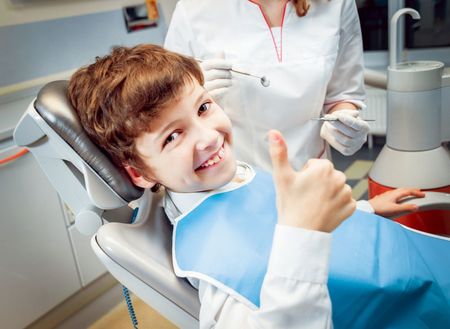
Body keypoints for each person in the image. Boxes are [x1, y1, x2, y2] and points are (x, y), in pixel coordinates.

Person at [67, 45, 449, 329]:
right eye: (172, 137)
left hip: (414, 267)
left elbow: (274, 218)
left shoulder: (235, 179)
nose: (208, 137)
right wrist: (303, 233)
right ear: (139, 173)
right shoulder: (209, 259)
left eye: (203, 108)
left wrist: (366, 211)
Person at [164, 0, 370, 173]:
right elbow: (166, 110)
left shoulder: (335, 4)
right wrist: (194, 94)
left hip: (312, 175)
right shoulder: (194, 9)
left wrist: (346, 123)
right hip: (231, 179)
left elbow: (343, 93)